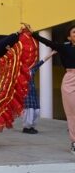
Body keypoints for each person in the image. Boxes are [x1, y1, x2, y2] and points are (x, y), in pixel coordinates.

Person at [26, 23, 75, 154]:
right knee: (72, 113)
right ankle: (74, 142)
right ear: (69, 37)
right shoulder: (64, 48)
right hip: (70, 79)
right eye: (74, 32)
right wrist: (34, 34)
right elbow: (47, 42)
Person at [22, 50, 57, 134]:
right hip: (26, 92)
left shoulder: (32, 69)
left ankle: (32, 126)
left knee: (36, 110)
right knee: (29, 110)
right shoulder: (19, 71)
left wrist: (51, 54)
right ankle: (26, 127)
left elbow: (42, 61)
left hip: (33, 92)